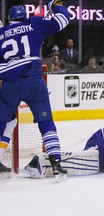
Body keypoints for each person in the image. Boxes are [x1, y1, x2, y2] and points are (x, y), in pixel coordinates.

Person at [0, 1, 69, 178]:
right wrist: (56, 4)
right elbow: (63, 19)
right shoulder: (34, 23)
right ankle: (55, 163)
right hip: (34, 82)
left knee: (4, 123)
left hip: (10, 85)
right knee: (46, 123)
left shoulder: (1, 33)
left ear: (9, 18)